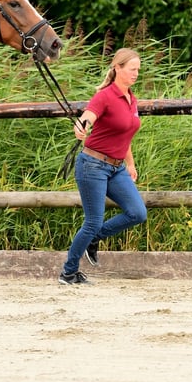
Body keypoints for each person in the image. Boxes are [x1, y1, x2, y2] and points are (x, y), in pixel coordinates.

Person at [59, 47, 147, 285]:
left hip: (117, 168)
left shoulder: (131, 98)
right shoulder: (105, 96)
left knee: (137, 213)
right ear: (117, 68)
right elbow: (89, 115)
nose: (136, 74)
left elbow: (125, 134)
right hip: (93, 165)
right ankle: (68, 272)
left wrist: (130, 163)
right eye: (132, 69)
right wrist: (81, 126)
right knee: (93, 221)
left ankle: (93, 238)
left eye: (138, 70)